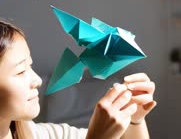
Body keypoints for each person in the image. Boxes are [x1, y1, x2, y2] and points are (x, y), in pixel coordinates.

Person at [0, 19, 157, 139]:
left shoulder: (44, 135)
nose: (37, 81)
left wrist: (134, 120)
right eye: (20, 71)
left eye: (30, 66)